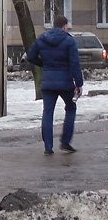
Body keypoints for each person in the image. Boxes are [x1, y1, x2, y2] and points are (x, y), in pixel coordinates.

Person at [27, 14, 84, 155]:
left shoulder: (42, 39)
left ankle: (48, 147)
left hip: (48, 82)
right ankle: (65, 142)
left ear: (53, 25)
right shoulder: (69, 41)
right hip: (65, 83)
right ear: (64, 26)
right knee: (70, 108)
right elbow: (74, 64)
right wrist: (79, 83)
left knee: (47, 112)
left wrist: (44, 64)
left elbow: (30, 56)